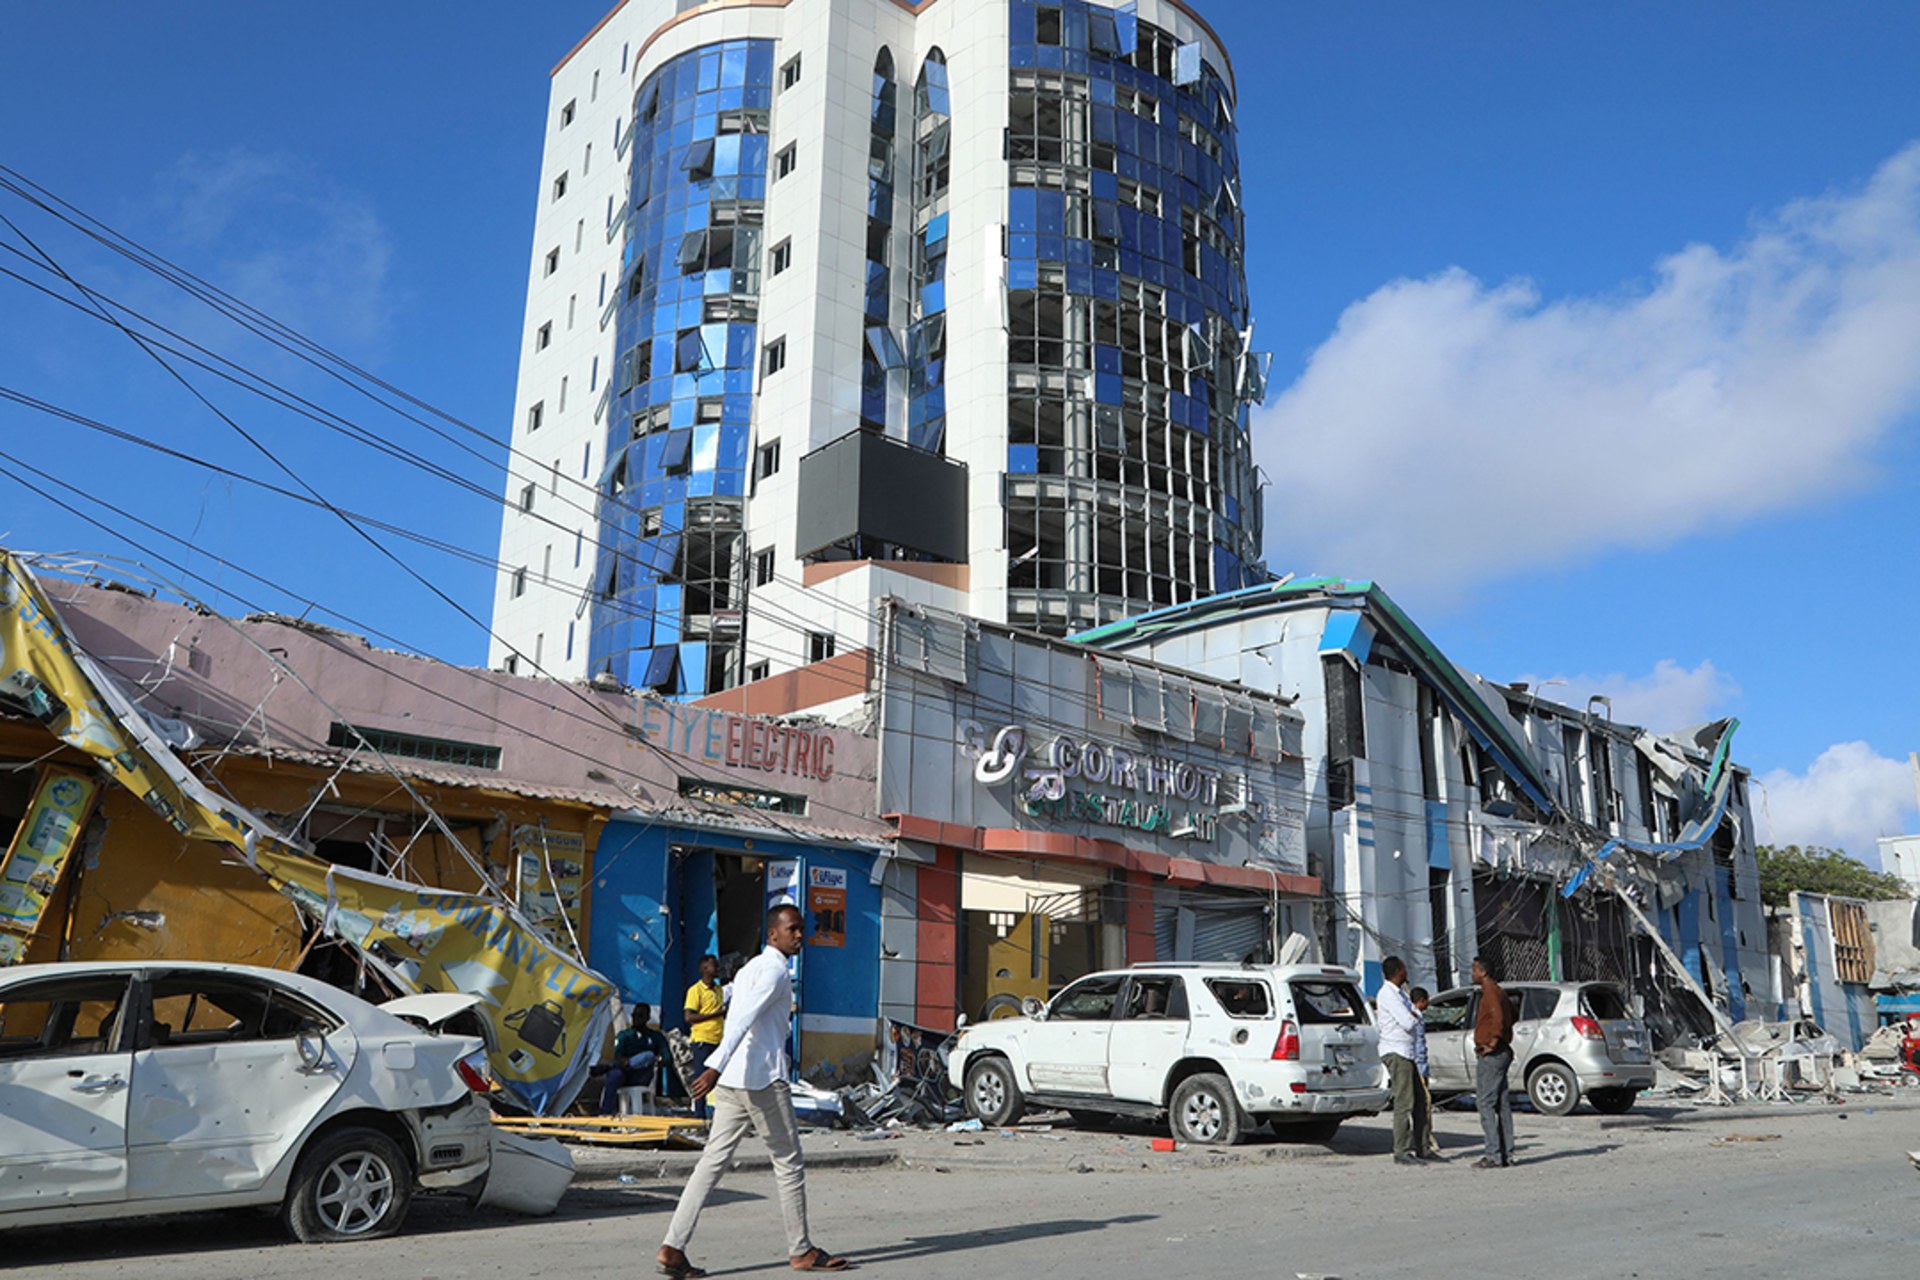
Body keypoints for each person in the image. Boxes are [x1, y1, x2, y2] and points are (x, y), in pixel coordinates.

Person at [657, 905, 849, 1278]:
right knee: (789, 1163)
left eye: (801, 929)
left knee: (711, 1163)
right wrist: (714, 1062)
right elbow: (742, 1017)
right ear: (773, 934)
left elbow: (733, 1007)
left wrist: (720, 1065)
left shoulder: (749, 970)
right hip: (761, 1081)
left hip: (732, 1081)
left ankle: (672, 1246)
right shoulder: (775, 971)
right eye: (792, 929)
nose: (799, 936)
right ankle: (801, 1250)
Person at [1374, 955, 1428, 1166]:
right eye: (1404, 968)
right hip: (1397, 1051)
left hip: (1408, 1051)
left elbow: (1418, 1014)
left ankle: (1423, 1146)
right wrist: (1413, 1016)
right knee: (1404, 1102)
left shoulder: (1402, 995)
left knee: (1421, 1101)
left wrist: (1414, 1015)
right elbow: (1408, 1021)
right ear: (1398, 971)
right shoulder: (1387, 994)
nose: (1407, 972)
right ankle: (1401, 1150)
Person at [1471, 956, 1517, 1169]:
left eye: (1474, 970)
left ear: (1483, 972)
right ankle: (1507, 1153)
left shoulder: (1490, 991)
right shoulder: (1499, 991)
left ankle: (1493, 1154)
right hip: (1502, 1053)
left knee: (1485, 1102)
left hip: (1493, 1054)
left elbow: (1498, 1018)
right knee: (1501, 1103)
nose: (1472, 974)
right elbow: (1513, 1014)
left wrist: (1492, 1041)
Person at [600, 1003, 664, 1116]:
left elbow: (666, 1058)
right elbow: (618, 1056)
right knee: (614, 1075)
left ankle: (609, 1066)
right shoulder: (625, 1035)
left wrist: (656, 1060)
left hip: (641, 1075)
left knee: (648, 1055)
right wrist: (625, 1062)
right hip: (624, 1073)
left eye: (640, 1016)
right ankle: (605, 1114)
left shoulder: (655, 1037)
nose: (636, 1019)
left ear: (647, 1018)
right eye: (634, 1016)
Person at [683, 954, 725, 1121]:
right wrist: (716, 1014)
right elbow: (689, 1017)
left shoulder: (719, 990)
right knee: (701, 1078)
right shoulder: (695, 990)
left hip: (718, 1040)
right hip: (702, 1040)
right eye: (715, 966)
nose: (718, 969)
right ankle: (699, 1117)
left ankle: (719, 1116)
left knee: (720, 1080)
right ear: (705, 969)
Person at [1409, 986, 1440, 1159]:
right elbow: (1417, 1046)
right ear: (1421, 1001)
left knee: (1424, 1103)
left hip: (1422, 1066)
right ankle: (1424, 1137)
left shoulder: (1417, 1017)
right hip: (1418, 1066)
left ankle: (1425, 1135)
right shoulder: (1413, 1017)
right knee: (1424, 1104)